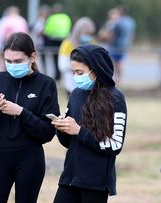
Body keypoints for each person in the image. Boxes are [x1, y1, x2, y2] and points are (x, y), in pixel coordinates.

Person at [0, 32, 60, 203]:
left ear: (33, 57)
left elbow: (47, 132)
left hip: (30, 159)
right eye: (8, 61)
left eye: (18, 61)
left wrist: (21, 113)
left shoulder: (46, 84)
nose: (12, 65)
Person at [52, 44, 127, 203]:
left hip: (96, 183)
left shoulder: (116, 99)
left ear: (96, 70)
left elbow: (115, 145)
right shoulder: (75, 94)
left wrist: (79, 131)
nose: (76, 77)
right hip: (70, 178)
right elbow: (68, 142)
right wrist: (62, 128)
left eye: (80, 72)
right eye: (73, 72)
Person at [58, 17, 96, 96]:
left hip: (89, 84)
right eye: (86, 33)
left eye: (90, 34)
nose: (88, 36)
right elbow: (63, 65)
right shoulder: (68, 44)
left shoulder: (91, 42)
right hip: (71, 82)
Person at [0, 6, 29, 72]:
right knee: (19, 60)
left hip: (8, 44)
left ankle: (6, 75)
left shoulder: (4, 21)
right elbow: (27, 33)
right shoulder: (22, 20)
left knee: (7, 61)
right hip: (22, 43)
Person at [42, 4, 72, 80]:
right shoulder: (66, 17)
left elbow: (46, 31)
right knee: (63, 58)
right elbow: (69, 28)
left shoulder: (51, 18)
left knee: (55, 58)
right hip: (63, 40)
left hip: (53, 40)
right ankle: (62, 76)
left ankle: (57, 75)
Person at [107, 6, 136, 83]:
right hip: (126, 44)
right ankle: (121, 78)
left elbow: (113, 35)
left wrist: (109, 41)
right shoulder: (131, 21)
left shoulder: (119, 22)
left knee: (117, 62)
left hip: (117, 45)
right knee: (121, 61)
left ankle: (118, 78)